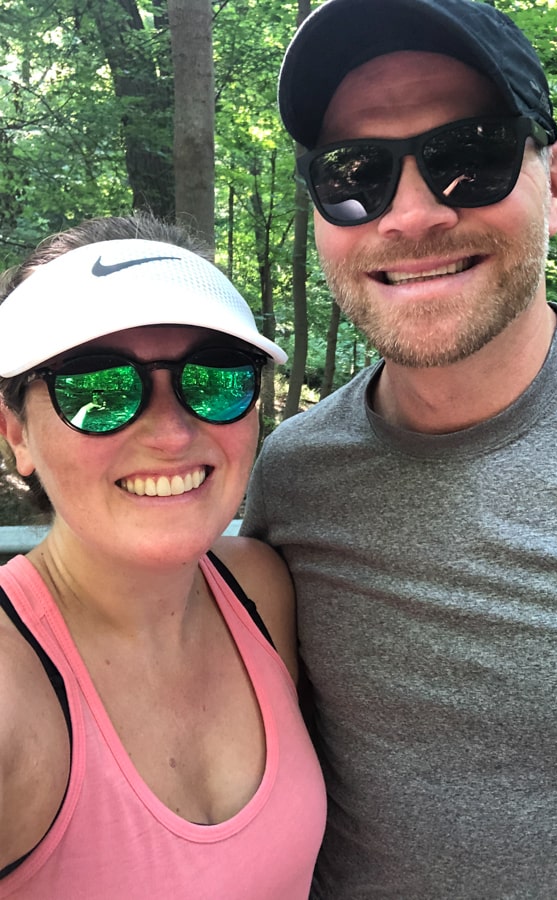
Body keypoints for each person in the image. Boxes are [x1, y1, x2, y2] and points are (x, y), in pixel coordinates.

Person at [240, 0, 557, 896]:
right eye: (355, 173)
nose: (411, 215)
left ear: (556, 183)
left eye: (469, 157)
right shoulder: (293, 472)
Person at [0, 214, 326, 899]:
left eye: (214, 379)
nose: (173, 434)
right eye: (96, 390)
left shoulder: (259, 587)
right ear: (16, 434)